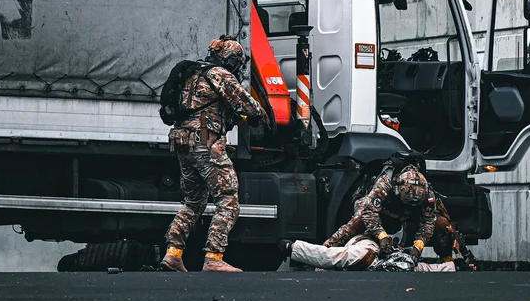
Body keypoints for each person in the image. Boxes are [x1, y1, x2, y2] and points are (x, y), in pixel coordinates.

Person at [160, 35, 265, 273]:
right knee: (228, 199)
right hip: (206, 141)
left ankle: (173, 254)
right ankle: (214, 257)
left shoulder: (192, 74)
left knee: (193, 203)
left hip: (183, 142)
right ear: (231, 59)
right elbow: (246, 104)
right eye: (238, 61)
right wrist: (260, 115)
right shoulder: (219, 74)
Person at [324, 153, 436, 259]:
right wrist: (381, 236)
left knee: (442, 224)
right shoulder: (386, 183)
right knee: (357, 219)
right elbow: (368, 210)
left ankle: (448, 263)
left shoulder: (427, 192)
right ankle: (327, 250)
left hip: (404, 216)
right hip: (377, 209)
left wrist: (419, 245)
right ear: (397, 189)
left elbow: (429, 221)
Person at [279, 234, 457, 272]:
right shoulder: (364, 254)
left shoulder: (405, 265)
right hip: (368, 243)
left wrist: (452, 266)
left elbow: (425, 269)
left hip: (380, 249)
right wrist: (292, 248)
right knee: (336, 259)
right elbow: (329, 255)